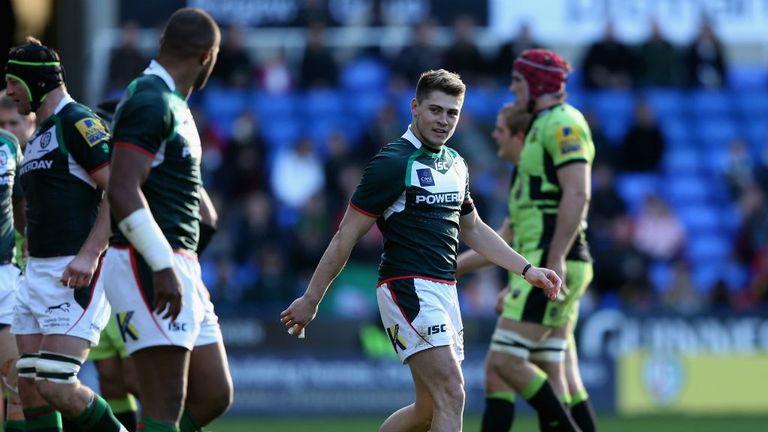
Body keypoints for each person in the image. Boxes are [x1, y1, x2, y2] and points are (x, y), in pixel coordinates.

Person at [280, 69, 561, 432]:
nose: (444, 121)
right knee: (453, 393)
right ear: (415, 108)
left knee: (427, 411)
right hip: (407, 287)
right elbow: (345, 235)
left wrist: (527, 269)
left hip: (444, 290)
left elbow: (472, 227)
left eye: (452, 113)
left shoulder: (456, 163)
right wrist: (311, 298)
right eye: (435, 110)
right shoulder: (394, 162)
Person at [104, 8, 233, 432]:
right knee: (163, 406)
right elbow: (121, 188)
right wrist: (161, 263)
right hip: (150, 261)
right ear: (207, 57)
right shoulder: (149, 99)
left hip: (180, 262)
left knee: (214, 393)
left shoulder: (173, 103)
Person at [5, 37, 126, 431]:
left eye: (12, 83)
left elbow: (120, 189)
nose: (7, 92)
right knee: (29, 388)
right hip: (35, 273)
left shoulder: (78, 121)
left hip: (72, 274)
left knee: (56, 385)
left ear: (35, 83)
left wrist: (91, 253)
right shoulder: (40, 134)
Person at [479, 49, 596, 432]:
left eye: (517, 82)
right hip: (544, 259)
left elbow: (577, 194)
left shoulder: (563, 123)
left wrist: (557, 257)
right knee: (552, 365)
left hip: (552, 259)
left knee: (503, 361)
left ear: (535, 84)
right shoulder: (544, 125)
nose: (513, 90)